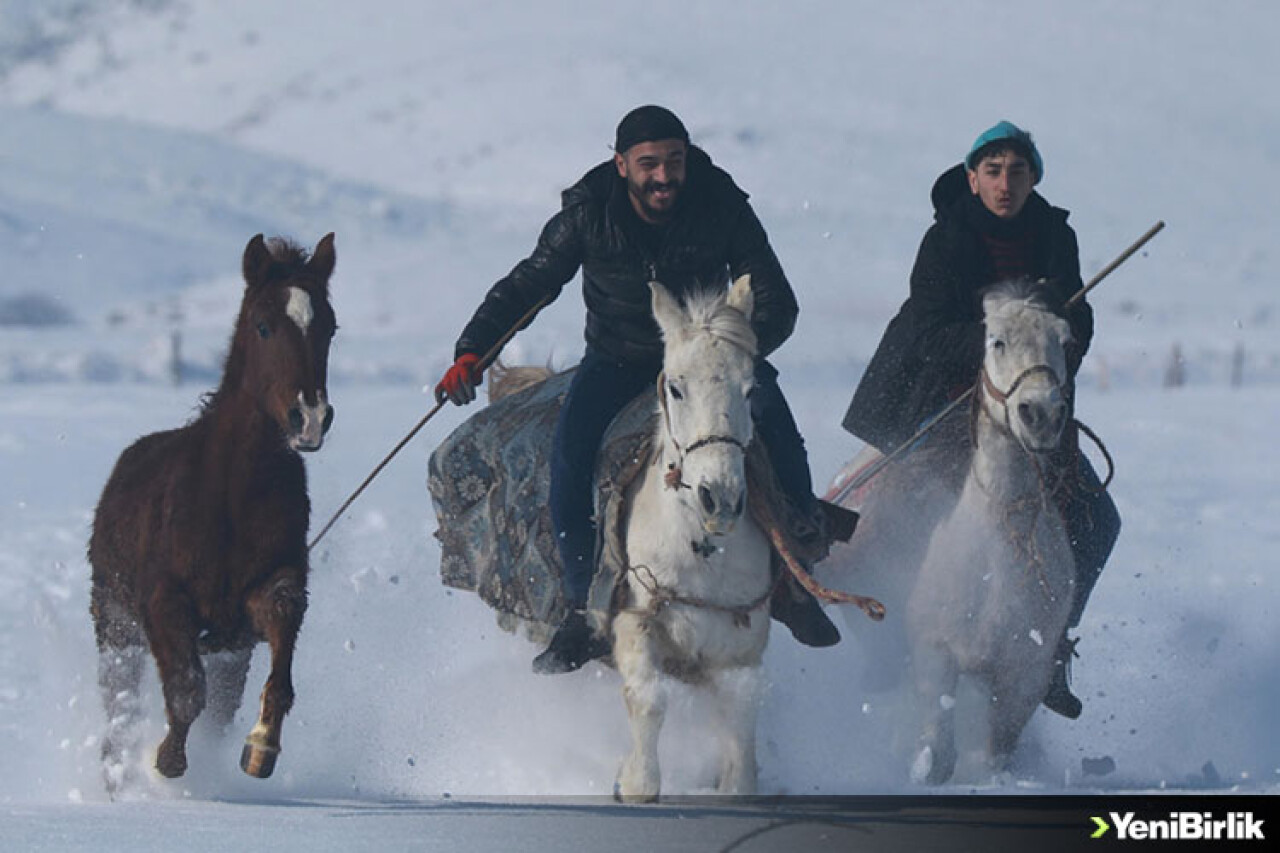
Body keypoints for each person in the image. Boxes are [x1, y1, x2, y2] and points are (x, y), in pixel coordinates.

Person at [436, 105, 845, 675]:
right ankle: (583, 609)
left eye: (673, 162)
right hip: (619, 358)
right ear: (621, 163)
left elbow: (778, 297)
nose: (662, 177)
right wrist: (472, 350)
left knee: (775, 422)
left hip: (707, 358)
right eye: (648, 164)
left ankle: (798, 574)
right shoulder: (587, 213)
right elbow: (531, 283)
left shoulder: (721, 202)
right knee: (570, 457)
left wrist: (734, 350)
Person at [840, 121, 1121, 719]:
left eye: (1017, 171)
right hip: (943, 400)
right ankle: (889, 643)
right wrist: (1001, 340)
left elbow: (1079, 320)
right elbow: (927, 331)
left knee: (1098, 521)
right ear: (973, 178)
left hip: (1028, 407)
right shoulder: (945, 240)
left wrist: (1048, 351)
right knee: (892, 516)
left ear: (1033, 179)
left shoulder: (1054, 236)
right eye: (992, 171)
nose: (1005, 183)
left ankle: (1053, 647)